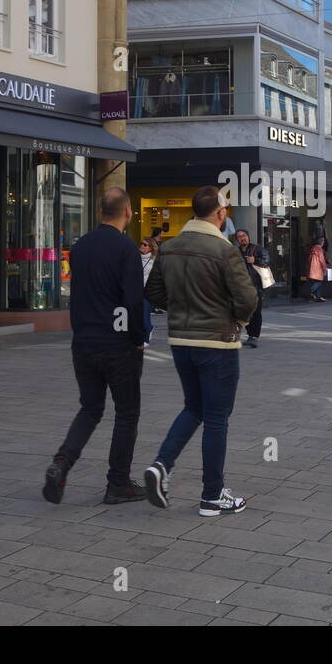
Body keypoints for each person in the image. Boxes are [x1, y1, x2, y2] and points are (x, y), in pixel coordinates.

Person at [143, 186, 258, 517]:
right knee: (217, 417)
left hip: (181, 341)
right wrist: (236, 319)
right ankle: (212, 495)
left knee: (194, 407)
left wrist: (180, 310)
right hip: (217, 342)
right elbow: (247, 298)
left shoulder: (171, 247)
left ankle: (162, 464)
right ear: (220, 214)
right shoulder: (224, 250)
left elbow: (153, 292)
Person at [44, 187, 147, 506]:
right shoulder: (127, 249)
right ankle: (118, 483)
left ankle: (62, 462)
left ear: (100, 211)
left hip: (84, 342)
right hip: (117, 344)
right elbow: (133, 302)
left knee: (90, 408)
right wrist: (138, 338)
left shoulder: (81, 247)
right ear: (128, 212)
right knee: (127, 412)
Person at [235, 229, 268, 348]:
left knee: (256, 312)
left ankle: (254, 337)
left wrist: (256, 260)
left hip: (256, 286)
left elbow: (267, 261)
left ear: (248, 237)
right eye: (239, 237)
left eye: (244, 235)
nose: (242, 238)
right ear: (237, 240)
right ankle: (250, 335)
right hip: (242, 287)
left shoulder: (257, 249)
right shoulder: (236, 252)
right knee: (246, 312)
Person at [140, 236, 158, 346]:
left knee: (144, 316)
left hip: (148, 293)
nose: (142, 245)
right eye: (141, 243)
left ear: (151, 248)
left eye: (145, 244)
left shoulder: (153, 261)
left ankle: (146, 339)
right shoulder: (136, 258)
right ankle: (149, 329)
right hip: (137, 291)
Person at [305, 236, 327, 302]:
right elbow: (322, 260)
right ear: (321, 242)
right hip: (318, 269)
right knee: (319, 282)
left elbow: (309, 260)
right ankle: (310, 293)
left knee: (316, 282)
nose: (324, 243)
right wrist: (324, 269)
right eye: (323, 241)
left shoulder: (313, 249)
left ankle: (318, 297)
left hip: (312, 269)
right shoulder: (319, 249)